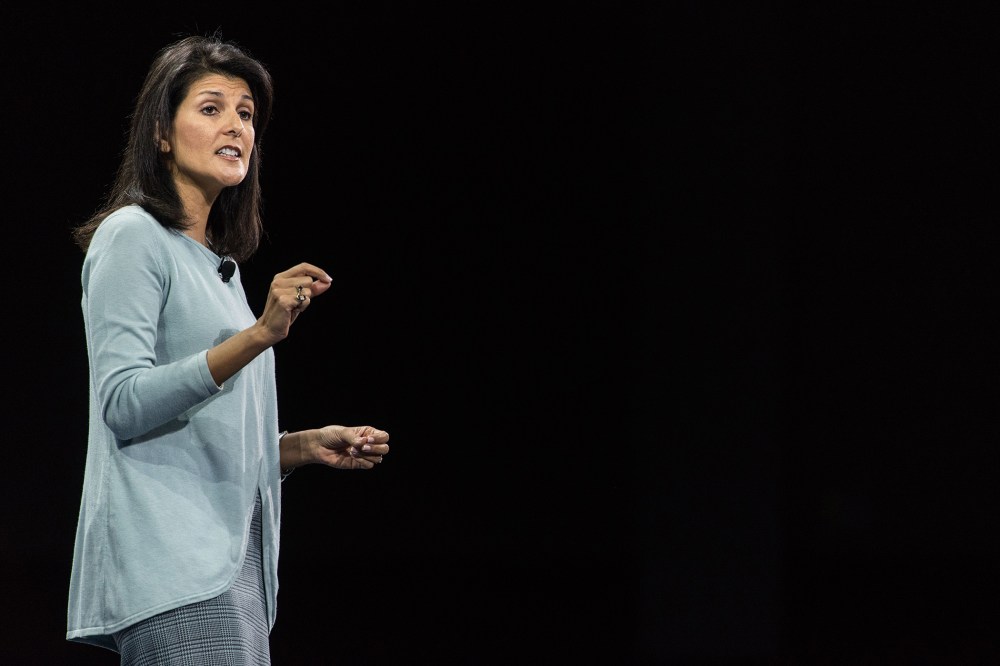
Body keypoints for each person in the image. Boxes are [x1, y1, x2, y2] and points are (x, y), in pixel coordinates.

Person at [66, 33, 390, 664]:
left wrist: (299, 447)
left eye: (246, 113)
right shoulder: (132, 236)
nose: (236, 126)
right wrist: (258, 335)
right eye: (211, 108)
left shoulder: (221, 271)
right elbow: (123, 403)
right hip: (173, 569)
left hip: (234, 569)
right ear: (162, 132)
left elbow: (202, 431)